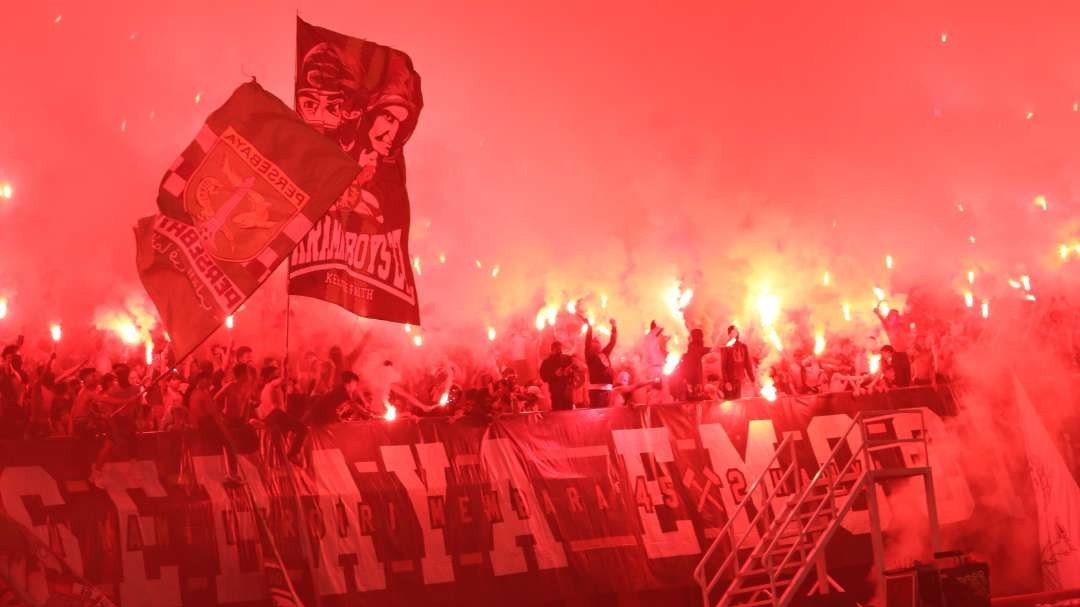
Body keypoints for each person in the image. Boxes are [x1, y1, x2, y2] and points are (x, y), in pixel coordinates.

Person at [256, 365, 307, 465]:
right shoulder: (271, 385)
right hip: (276, 415)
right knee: (303, 429)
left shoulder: (267, 389)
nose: (278, 375)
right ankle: (292, 454)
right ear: (270, 375)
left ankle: (280, 460)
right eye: (276, 373)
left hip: (272, 418)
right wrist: (284, 366)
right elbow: (283, 379)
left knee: (279, 439)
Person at [584, 319, 618, 408]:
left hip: (607, 389)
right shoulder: (589, 356)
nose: (596, 343)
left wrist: (614, 327)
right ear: (591, 346)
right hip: (596, 389)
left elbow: (612, 342)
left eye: (597, 341)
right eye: (594, 341)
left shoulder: (605, 353)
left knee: (606, 415)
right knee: (596, 414)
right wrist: (589, 326)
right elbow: (587, 340)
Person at [721, 325, 756, 400]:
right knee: (729, 403)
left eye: (736, 331)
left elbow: (747, 364)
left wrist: (752, 379)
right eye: (733, 332)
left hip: (739, 379)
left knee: (738, 401)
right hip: (730, 379)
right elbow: (723, 365)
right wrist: (726, 381)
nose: (735, 333)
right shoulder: (727, 347)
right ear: (729, 334)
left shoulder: (743, 346)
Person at [539, 341, 576, 411]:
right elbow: (544, 377)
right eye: (557, 349)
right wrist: (555, 375)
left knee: (569, 412)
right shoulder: (546, 362)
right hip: (556, 392)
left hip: (567, 390)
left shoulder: (567, 358)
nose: (559, 351)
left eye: (560, 349)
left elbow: (575, 370)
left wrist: (570, 372)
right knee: (558, 411)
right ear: (552, 349)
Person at [679, 328, 711, 400]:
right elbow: (706, 350)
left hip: (687, 377)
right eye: (701, 337)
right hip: (695, 378)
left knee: (690, 399)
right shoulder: (696, 348)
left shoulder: (687, 347)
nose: (702, 339)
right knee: (696, 399)